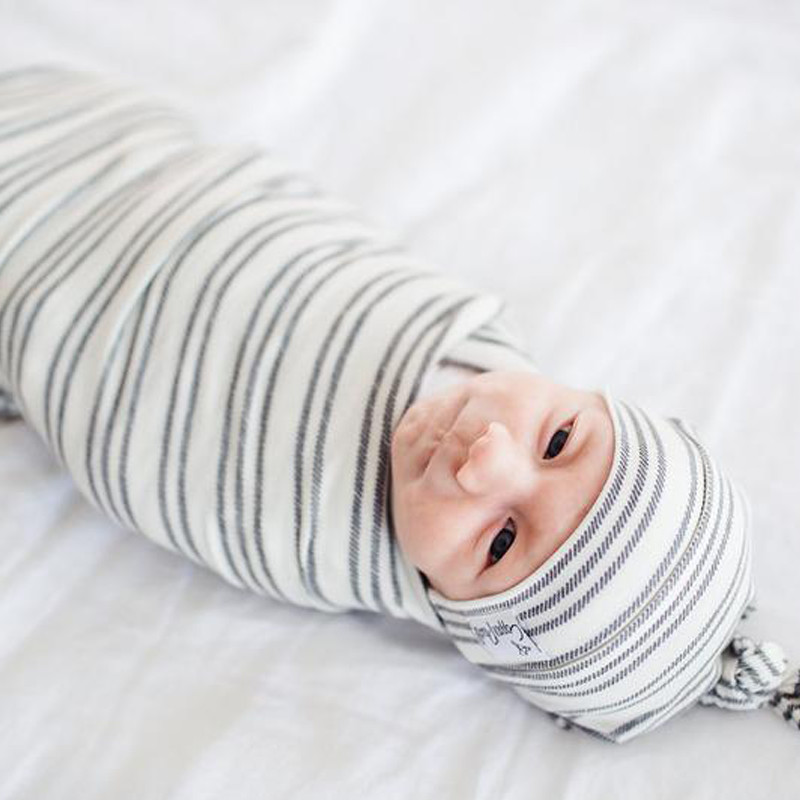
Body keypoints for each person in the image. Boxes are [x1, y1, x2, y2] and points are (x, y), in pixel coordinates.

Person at [0, 63, 797, 743]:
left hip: (51, 286)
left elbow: (145, 449)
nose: (486, 456)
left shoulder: (310, 541)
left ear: (463, 622)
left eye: (500, 543)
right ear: (590, 399)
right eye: (557, 440)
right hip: (148, 170)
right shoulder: (477, 342)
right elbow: (325, 244)